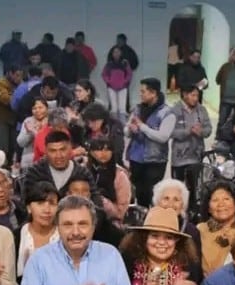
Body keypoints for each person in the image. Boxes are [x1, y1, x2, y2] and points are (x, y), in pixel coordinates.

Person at [126, 78, 176, 207]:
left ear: (153, 93)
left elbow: (163, 137)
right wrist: (131, 130)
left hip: (155, 160)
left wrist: (142, 127)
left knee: (152, 195)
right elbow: (126, 131)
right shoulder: (137, 109)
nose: (140, 94)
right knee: (139, 193)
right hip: (136, 158)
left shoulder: (167, 113)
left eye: (143, 91)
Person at [196, 180, 235, 277]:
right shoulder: (200, 230)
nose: (221, 204)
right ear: (208, 208)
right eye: (215, 200)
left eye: (226, 199)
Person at [170, 86, 212, 211]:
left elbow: (209, 129)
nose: (195, 99)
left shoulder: (202, 109)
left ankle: (192, 214)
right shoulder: (174, 110)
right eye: (192, 95)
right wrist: (187, 131)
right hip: (179, 158)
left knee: (194, 189)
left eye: (197, 96)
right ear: (184, 94)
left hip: (196, 157)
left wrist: (201, 132)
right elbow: (171, 132)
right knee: (177, 188)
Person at [86, 136, 131, 224]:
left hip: (110, 221)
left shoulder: (120, 175)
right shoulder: (83, 171)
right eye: (99, 149)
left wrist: (100, 200)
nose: (104, 153)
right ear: (91, 152)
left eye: (107, 149)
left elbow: (121, 211)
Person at [153, 178, 202, 250]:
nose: (171, 204)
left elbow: (195, 260)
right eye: (166, 198)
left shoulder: (191, 232)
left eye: (176, 199)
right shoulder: (146, 227)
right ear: (157, 202)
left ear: (183, 204)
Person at [0, 64, 24, 159]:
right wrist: (18, 96)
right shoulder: (1, 83)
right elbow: (5, 99)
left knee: (14, 146)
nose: (19, 78)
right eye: (17, 75)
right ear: (10, 73)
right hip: (3, 119)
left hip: (15, 119)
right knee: (4, 147)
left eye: (21, 76)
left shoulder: (20, 84)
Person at [102, 46, 133, 123]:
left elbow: (129, 74)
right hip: (111, 88)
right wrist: (109, 81)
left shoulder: (125, 63)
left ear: (121, 53)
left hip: (123, 88)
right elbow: (104, 74)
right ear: (112, 54)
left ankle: (123, 126)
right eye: (114, 52)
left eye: (118, 52)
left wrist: (125, 81)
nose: (116, 53)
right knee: (114, 109)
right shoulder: (109, 64)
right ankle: (114, 126)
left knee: (122, 109)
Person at [16, 97, 49, 169]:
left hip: (47, 158)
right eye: (34, 108)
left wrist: (36, 131)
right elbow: (21, 143)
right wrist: (29, 133)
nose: (37, 110)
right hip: (29, 160)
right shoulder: (28, 121)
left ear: (47, 108)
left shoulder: (51, 121)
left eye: (40, 107)